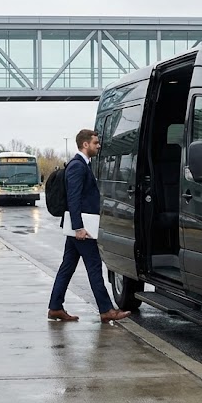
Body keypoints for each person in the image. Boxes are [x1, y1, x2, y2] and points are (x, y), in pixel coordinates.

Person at [48, 129, 131, 323]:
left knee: (67, 267)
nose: (98, 146)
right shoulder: (78, 166)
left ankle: (55, 307)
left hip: (78, 227)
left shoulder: (82, 165)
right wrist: (79, 227)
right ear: (85, 144)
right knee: (94, 267)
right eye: (95, 143)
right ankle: (106, 309)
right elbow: (73, 199)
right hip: (81, 229)